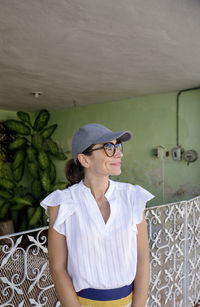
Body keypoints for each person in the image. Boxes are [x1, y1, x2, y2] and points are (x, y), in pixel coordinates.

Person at [40, 123, 154, 307]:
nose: (119, 154)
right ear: (85, 160)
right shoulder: (62, 203)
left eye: (118, 147)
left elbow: (142, 258)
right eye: (109, 148)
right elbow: (57, 267)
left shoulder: (133, 197)